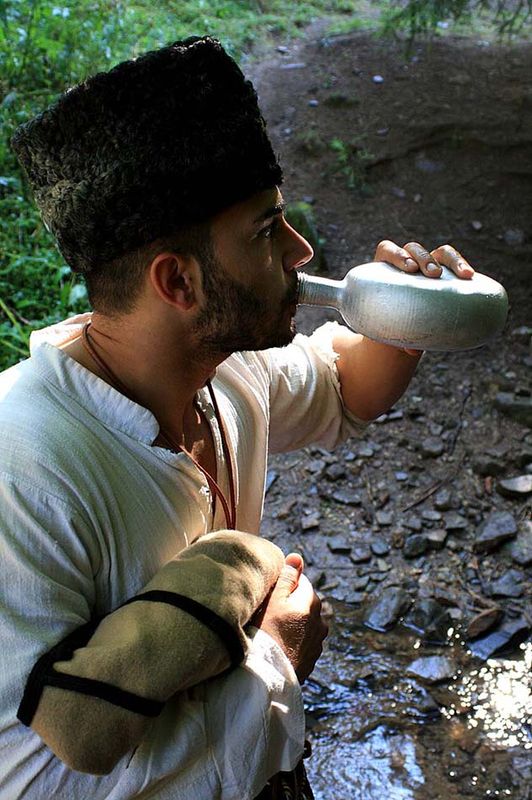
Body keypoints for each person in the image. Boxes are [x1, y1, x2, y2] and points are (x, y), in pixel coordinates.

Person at [0, 35, 474, 800]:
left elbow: (343, 385)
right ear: (178, 282)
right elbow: (32, 782)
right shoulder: (21, 467)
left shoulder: (220, 368)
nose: (301, 250)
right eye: (265, 230)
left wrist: (404, 319)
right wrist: (275, 663)